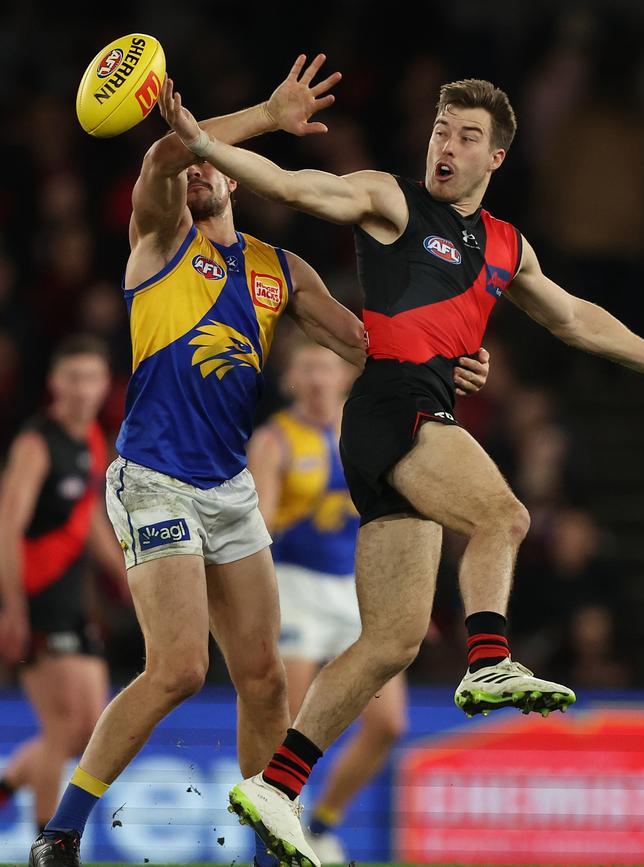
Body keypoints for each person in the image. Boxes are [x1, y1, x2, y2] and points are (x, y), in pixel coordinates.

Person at [158, 74, 644, 866]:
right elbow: (298, 185)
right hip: (394, 406)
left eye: (462, 136)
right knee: (506, 516)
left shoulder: (505, 244)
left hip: (409, 420)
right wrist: (210, 145)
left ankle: (277, 786)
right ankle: (489, 658)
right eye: (439, 129)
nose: (444, 145)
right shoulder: (391, 200)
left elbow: (573, 318)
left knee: (390, 641)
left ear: (495, 155)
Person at [27, 55, 363, 867]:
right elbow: (160, 158)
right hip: (151, 477)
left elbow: (361, 342)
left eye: (218, 162)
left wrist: (448, 355)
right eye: (198, 157)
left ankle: (263, 849)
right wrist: (266, 114)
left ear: (239, 183)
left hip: (227, 487)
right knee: (177, 668)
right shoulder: (158, 240)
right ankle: (60, 835)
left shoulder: (282, 271)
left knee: (266, 680)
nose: (203, 166)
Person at [248, 335, 490, 864]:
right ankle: (280, 838)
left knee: (388, 725)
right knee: (288, 721)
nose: (315, 379)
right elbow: (260, 527)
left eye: (324, 367)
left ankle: (323, 823)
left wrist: (408, 594)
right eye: (305, 367)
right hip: (295, 587)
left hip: (357, 590)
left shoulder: (367, 431)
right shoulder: (276, 440)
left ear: (345, 375)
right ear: (293, 376)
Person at [0, 334, 127, 831]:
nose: (81, 389)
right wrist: (12, 609)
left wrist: (122, 571)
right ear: (55, 383)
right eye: (72, 378)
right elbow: (8, 525)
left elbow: (86, 513)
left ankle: (9, 785)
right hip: (35, 599)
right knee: (61, 731)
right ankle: (46, 845)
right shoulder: (36, 443)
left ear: (103, 385)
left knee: (87, 733)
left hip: (72, 600)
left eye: (91, 378)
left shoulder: (92, 439)